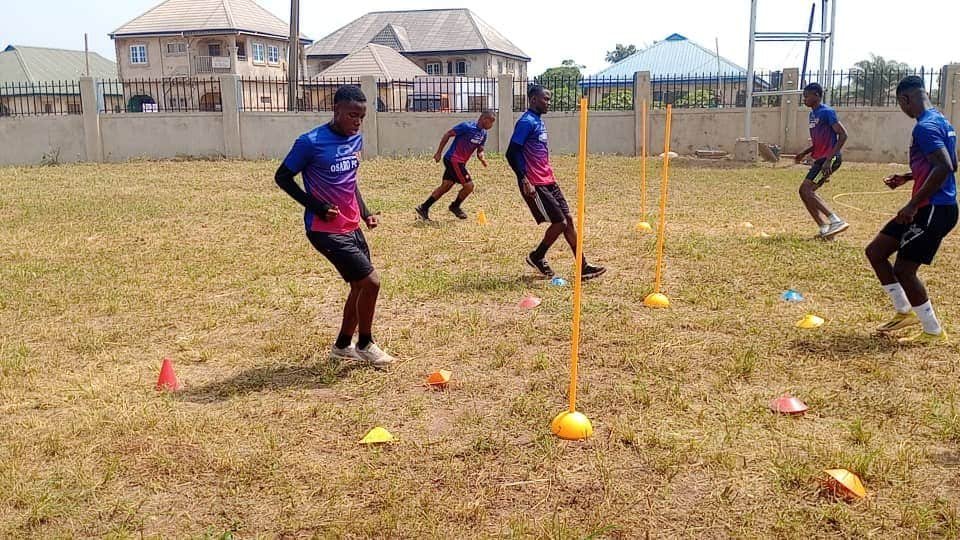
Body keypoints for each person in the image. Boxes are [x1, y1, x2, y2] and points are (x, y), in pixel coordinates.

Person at [274, 85, 394, 366]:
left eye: (362, 117)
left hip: (352, 225)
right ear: (336, 109)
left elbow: (350, 182)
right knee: (372, 282)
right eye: (352, 115)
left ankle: (342, 345)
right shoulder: (310, 142)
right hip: (324, 229)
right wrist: (316, 206)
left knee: (359, 286)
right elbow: (282, 177)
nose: (357, 122)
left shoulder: (356, 139)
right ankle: (365, 343)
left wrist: (365, 213)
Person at [865, 75, 958, 344]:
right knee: (876, 251)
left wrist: (912, 204)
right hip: (928, 206)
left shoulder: (924, 127)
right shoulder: (941, 120)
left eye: (900, 104)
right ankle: (904, 312)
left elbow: (944, 167)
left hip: (934, 209)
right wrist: (908, 177)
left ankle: (933, 331)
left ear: (905, 99)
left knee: (905, 269)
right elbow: (950, 163)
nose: (902, 109)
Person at [505, 84, 605, 280]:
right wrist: (524, 179)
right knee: (559, 222)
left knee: (568, 221)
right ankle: (537, 255)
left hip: (549, 180)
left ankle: (582, 266)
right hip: (534, 182)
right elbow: (511, 152)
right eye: (545, 99)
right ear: (533, 99)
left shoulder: (539, 121)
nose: (548, 102)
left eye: (549, 99)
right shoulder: (526, 122)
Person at [794, 82, 850, 239]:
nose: (804, 99)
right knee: (804, 192)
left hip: (829, 159)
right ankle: (825, 228)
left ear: (817, 96)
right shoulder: (812, 115)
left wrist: (829, 160)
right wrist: (803, 153)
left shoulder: (827, 112)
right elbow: (819, 141)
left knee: (806, 190)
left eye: (807, 96)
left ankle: (835, 220)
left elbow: (843, 135)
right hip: (820, 158)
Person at [416, 111, 496, 220]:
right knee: (469, 186)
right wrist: (439, 152)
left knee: (446, 186)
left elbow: (480, 149)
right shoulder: (466, 127)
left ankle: (423, 208)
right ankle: (455, 206)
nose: (491, 126)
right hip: (453, 160)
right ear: (483, 119)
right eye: (491, 122)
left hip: (459, 162)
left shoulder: (483, 134)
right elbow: (448, 134)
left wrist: (481, 157)